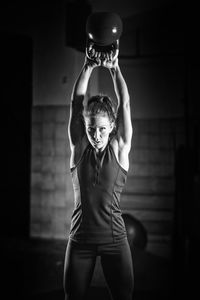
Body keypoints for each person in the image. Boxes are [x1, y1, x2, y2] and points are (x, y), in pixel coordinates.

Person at [63, 45, 133, 300]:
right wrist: (88, 66)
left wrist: (115, 70)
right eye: (92, 129)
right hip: (80, 239)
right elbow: (75, 103)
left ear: (112, 126)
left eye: (103, 129)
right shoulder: (79, 147)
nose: (96, 136)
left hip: (115, 239)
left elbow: (124, 103)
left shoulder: (120, 148)